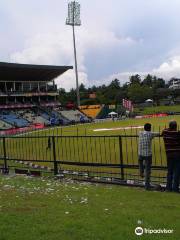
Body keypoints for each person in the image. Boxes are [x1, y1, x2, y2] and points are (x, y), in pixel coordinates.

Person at [138, 123, 159, 190]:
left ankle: (141, 172)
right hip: (147, 155)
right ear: (150, 128)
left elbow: (141, 133)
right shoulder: (150, 134)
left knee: (141, 163)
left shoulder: (140, 133)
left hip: (140, 153)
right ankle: (147, 186)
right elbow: (158, 133)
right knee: (148, 171)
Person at [162, 121, 180, 192]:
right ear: (175, 127)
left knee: (170, 172)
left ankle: (168, 188)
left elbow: (164, 130)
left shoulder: (165, 132)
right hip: (177, 154)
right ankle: (175, 188)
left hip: (169, 154)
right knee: (177, 172)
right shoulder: (177, 133)